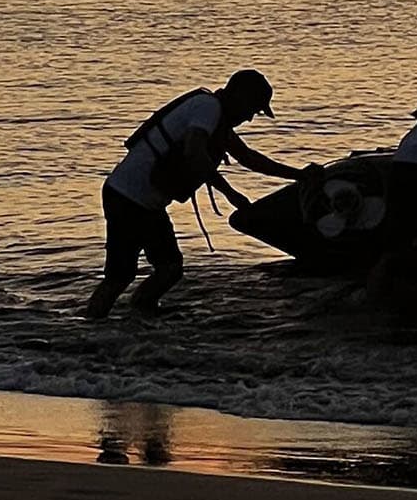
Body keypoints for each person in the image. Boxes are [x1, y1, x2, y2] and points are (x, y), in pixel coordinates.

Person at [86, 69, 296, 319]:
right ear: (239, 96)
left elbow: (250, 158)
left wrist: (300, 175)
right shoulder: (206, 109)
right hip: (127, 197)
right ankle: (89, 327)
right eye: (253, 109)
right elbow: (194, 152)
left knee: (170, 269)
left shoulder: (217, 121)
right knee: (120, 276)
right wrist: (230, 193)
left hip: (147, 204)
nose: (250, 118)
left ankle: (140, 314)